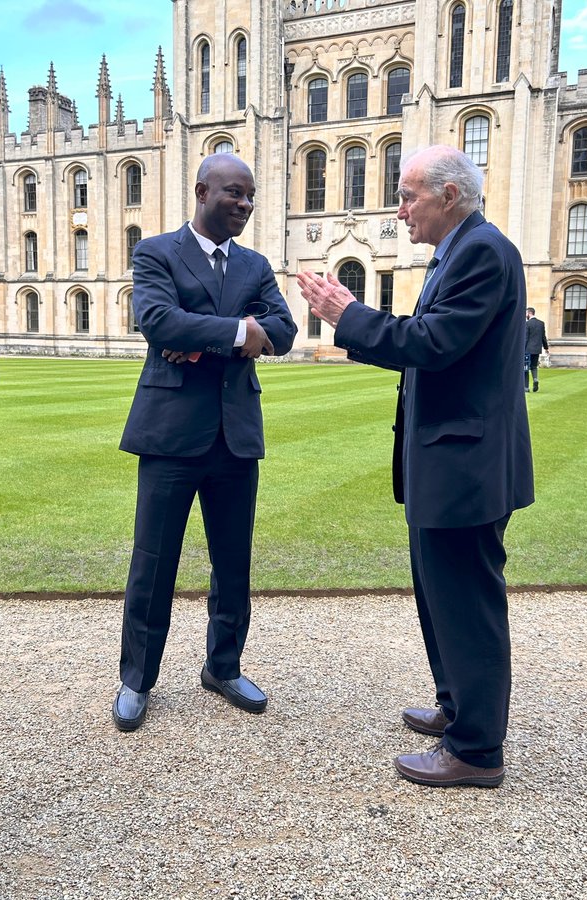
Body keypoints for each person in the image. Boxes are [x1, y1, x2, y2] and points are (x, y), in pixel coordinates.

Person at [296, 145, 533, 788]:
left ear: (449, 196)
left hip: (467, 465)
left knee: (467, 604)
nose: (400, 211)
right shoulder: (456, 253)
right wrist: (358, 317)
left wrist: (348, 316)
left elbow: (432, 345)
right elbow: (428, 342)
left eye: (408, 197)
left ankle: (477, 751)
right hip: (448, 462)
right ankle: (457, 707)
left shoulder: (483, 252)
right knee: (439, 597)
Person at [112, 153, 298, 732]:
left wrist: (208, 334)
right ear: (201, 191)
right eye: (233, 194)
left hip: (235, 435)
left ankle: (223, 666)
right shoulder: (157, 252)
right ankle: (136, 679)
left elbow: (286, 333)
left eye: (249, 197)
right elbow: (158, 320)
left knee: (232, 561)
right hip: (170, 434)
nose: (243, 205)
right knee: (153, 562)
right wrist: (243, 330)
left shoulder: (256, 264)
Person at [524, 307, 549, 392]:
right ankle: (535, 379)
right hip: (537, 349)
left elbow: (525, 338)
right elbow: (543, 337)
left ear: (529, 313)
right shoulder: (541, 323)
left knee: (525, 368)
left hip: (527, 350)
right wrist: (546, 348)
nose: (526, 315)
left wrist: (522, 349)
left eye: (526, 313)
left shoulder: (527, 324)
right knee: (534, 366)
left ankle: (526, 387)